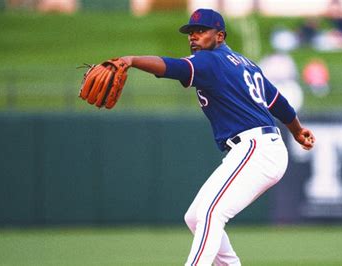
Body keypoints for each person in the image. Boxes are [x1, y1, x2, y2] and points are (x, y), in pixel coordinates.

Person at [120, 9, 315, 266]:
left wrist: (132, 59)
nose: (193, 37)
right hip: (256, 149)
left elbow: (174, 67)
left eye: (201, 31)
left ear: (220, 36)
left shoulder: (210, 61)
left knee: (212, 213)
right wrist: (297, 130)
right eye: (190, 32)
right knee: (195, 216)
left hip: (257, 149)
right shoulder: (244, 62)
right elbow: (278, 102)